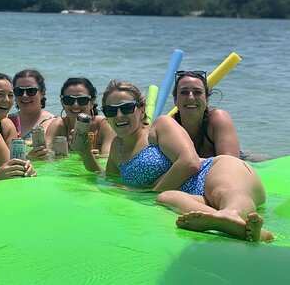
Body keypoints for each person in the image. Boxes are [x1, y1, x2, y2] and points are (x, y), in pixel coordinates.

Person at [73, 80, 272, 242]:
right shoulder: (118, 146)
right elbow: (108, 179)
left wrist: (149, 191)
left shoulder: (158, 127)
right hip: (195, 195)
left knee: (223, 192)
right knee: (167, 198)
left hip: (214, 171)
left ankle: (232, 213)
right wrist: (84, 153)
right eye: (110, 110)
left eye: (126, 108)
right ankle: (238, 227)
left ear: (141, 110)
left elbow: (190, 162)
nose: (119, 115)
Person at [172, 70, 241, 158]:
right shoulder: (170, 125)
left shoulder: (217, 119)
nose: (191, 97)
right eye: (184, 92)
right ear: (175, 99)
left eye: (197, 92)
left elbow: (230, 162)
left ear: (207, 99)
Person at [45, 77, 116, 157]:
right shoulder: (58, 125)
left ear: (92, 103)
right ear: (62, 103)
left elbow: (107, 159)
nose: (75, 105)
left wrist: (90, 158)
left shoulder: (104, 126)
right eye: (69, 100)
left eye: (82, 100)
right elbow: (45, 153)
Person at [12, 69, 56, 160]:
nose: (24, 95)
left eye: (31, 91)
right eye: (19, 91)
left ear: (42, 93)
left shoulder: (54, 123)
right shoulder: (7, 121)